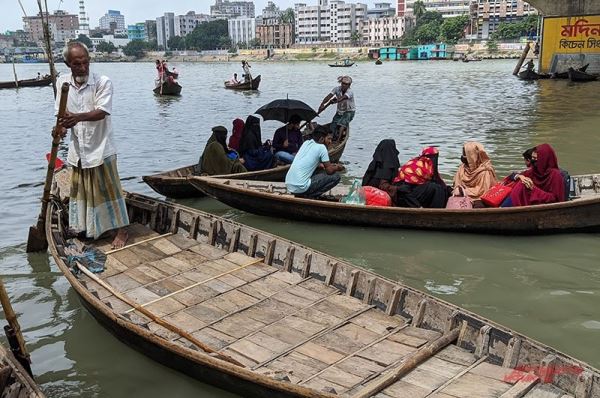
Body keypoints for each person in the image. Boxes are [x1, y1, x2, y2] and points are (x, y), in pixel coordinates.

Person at [55, 41, 129, 249]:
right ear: (68, 64)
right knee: (83, 191)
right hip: (79, 150)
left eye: (85, 63)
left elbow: (102, 112)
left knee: (110, 190)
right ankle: (90, 228)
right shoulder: (63, 83)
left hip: (101, 146)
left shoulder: (102, 82)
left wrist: (77, 118)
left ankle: (121, 230)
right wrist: (60, 130)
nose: (82, 68)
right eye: (77, 64)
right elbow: (61, 117)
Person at [286, 125, 344, 199]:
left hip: (289, 185)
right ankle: (311, 196)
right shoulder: (322, 148)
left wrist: (322, 166)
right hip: (300, 188)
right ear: (322, 139)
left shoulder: (306, 143)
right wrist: (338, 167)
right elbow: (329, 171)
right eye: (329, 139)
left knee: (321, 169)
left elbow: (308, 160)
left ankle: (306, 193)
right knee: (336, 176)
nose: (330, 142)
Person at [452, 141, 498, 207]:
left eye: (466, 154)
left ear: (474, 156)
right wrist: (458, 190)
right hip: (463, 195)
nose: (463, 157)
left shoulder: (485, 170)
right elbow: (456, 185)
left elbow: (483, 192)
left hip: (479, 198)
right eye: (463, 153)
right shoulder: (462, 168)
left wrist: (465, 192)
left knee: (479, 206)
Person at [319, 75, 355, 140]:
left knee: (342, 124)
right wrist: (322, 104)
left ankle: (338, 140)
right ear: (341, 83)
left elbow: (343, 98)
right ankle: (332, 136)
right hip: (340, 111)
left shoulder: (350, 92)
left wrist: (335, 101)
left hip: (349, 111)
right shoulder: (337, 89)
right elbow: (329, 96)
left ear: (349, 85)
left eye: (346, 84)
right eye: (343, 83)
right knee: (333, 125)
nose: (344, 85)